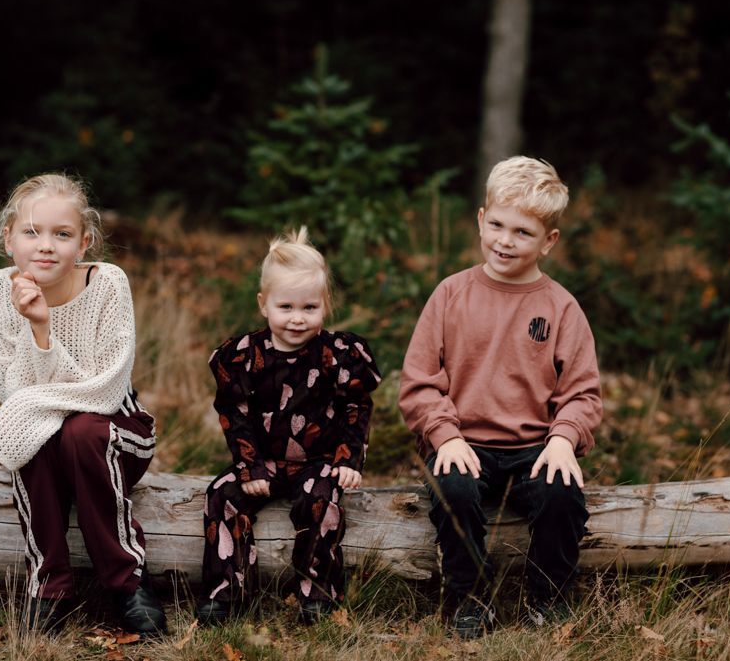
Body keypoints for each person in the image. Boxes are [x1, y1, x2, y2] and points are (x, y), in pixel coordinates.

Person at [398, 156, 602, 636]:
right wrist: (444, 437)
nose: (505, 241)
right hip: (462, 442)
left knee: (563, 497)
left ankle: (547, 598)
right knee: (455, 492)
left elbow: (582, 391)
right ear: (480, 218)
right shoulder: (450, 295)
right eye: (497, 225)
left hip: (534, 447)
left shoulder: (560, 307)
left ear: (548, 241)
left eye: (523, 233)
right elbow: (419, 380)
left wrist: (563, 439)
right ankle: (472, 598)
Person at [0, 173, 167, 637]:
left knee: (77, 429)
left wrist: (43, 334)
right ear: (7, 239)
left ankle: (128, 582)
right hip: (47, 439)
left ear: (84, 242)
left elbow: (106, 391)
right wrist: (34, 327)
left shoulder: (108, 283)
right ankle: (49, 585)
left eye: (63, 234)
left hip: (118, 432)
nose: (46, 246)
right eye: (31, 232)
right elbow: (12, 394)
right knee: (35, 430)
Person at [196, 227, 382, 626]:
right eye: (286, 307)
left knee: (321, 502)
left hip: (317, 461)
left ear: (325, 305)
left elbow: (356, 407)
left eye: (309, 308)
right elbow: (235, 415)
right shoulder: (244, 357)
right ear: (264, 304)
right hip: (263, 461)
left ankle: (316, 593)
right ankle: (225, 592)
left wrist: (349, 459)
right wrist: (249, 468)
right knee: (220, 495)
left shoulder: (337, 355)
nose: (297, 319)